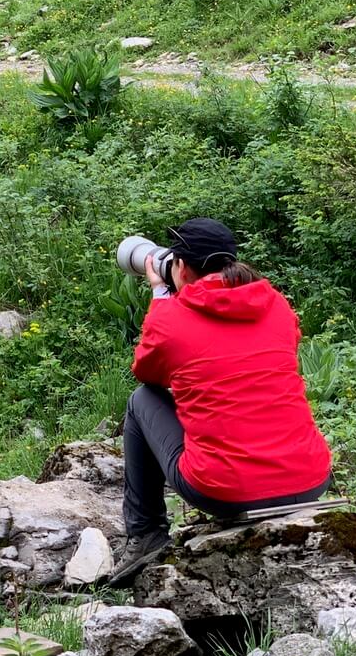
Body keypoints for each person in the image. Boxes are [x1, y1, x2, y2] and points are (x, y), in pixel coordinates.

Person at [109, 217, 333, 586]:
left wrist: (161, 299)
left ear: (178, 266)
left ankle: (146, 532)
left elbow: (147, 373)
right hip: (310, 479)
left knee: (141, 400)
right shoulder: (275, 304)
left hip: (225, 490)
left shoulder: (171, 318)